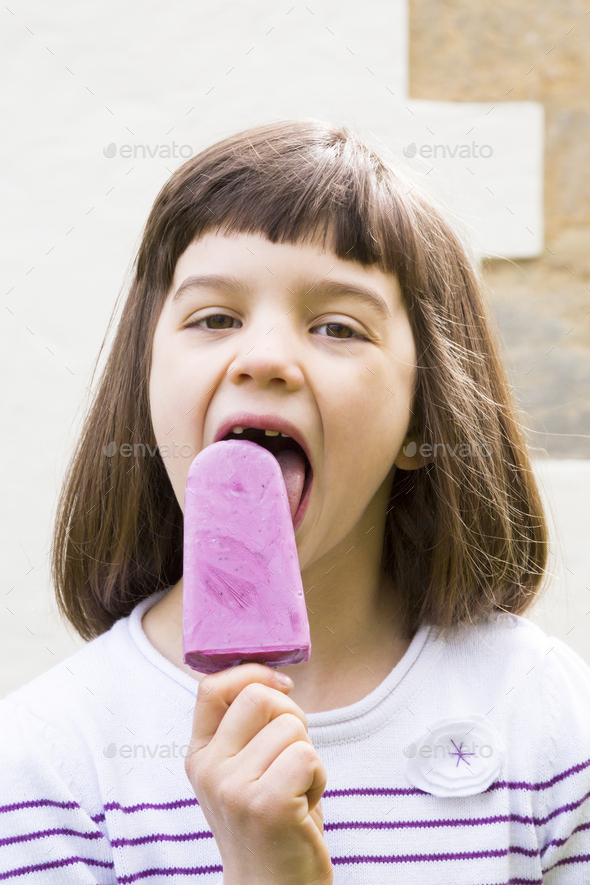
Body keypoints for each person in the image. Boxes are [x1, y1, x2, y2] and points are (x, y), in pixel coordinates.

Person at [1, 118, 588, 884]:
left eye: (338, 326)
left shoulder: (542, 716)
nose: (267, 357)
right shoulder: (52, 761)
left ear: (424, 419)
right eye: (215, 318)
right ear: (146, 392)